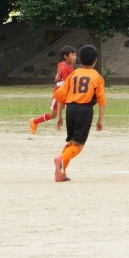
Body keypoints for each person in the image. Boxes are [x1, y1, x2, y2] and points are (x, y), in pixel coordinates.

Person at [51, 44, 107, 182]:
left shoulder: (74, 73)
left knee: (71, 142)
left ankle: (61, 173)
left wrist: (59, 116)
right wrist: (100, 120)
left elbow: (60, 95)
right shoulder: (97, 77)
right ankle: (61, 159)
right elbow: (101, 101)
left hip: (71, 109)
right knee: (78, 145)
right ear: (95, 60)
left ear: (80, 59)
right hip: (84, 110)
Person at [31, 46, 77, 134]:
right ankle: (34, 122)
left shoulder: (66, 64)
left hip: (66, 90)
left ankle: (75, 127)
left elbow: (60, 67)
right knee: (53, 115)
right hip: (61, 91)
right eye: (72, 55)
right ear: (65, 56)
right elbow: (67, 82)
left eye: (75, 55)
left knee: (74, 107)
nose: (75, 57)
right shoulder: (64, 67)